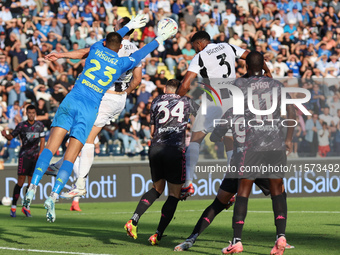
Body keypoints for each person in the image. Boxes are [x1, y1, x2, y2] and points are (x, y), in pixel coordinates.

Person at [23, 14, 177, 223]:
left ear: (106, 42)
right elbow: (143, 53)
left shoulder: (96, 48)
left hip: (74, 99)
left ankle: (33, 188)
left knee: (50, 146)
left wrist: (129, 25)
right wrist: (160, 39)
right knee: (72, 154)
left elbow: (106, 41)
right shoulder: (123, 63)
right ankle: (55, 195)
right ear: (119, 45)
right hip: (93, 106)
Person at [46, 17, 144, 199]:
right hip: (118, 98)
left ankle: (80, 183)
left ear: (119, 28)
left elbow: (85, 52)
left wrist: (61, 55)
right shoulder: (136, 50)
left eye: (115, 23)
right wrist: (124, 93)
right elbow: (137, 79)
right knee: (79, 134)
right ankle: (60, 165)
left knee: (88, 137)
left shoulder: (112, 46)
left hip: (103, 96)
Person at [176, 31, 271, 199]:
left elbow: (185, 84)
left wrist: (175, 99)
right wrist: (267, 70)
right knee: (230, 142)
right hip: (233, 99)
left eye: (194, 46)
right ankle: (231, 188)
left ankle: (187, 184)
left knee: (196, 138)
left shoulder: (200, 57)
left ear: (199, 44)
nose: (194, 49)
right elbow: (251, 56)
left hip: (214, 98)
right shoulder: (227, 46)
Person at [221, 52, 296, 255]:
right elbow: (292, 111)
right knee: (277, 190)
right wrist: (288, 139)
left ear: (245, 66)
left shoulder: (239, 85)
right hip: (276, 143)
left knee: (243, 191)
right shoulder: (276, 85)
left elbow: (232, 113)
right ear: (264, 65)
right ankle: (281, 236)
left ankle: (237, 240)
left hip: (251, 145)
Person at [124, 79, 198, 245]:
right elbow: (202, 117)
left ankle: (133, 220)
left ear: (165, 89)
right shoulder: (186, 101)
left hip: (156, 148)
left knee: (157, 189)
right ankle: (157, 234)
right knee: (174, 194)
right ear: (180, 89)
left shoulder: (156, 101)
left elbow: (152, 131)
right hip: (174, 150)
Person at [1, 105, 45, 218]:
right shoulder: (21, 125)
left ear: (35, 113)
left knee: (31, 184)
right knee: (20, 182)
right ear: (26, 113)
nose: (31, 114)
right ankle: (14, 206)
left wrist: (41, 153)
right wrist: (6, 136)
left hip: (35, 157)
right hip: (24, 156)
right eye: (29, 112)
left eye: (33, 112)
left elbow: (42, 139)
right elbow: (12, 136)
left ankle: (26, 207)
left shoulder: (40, 125)